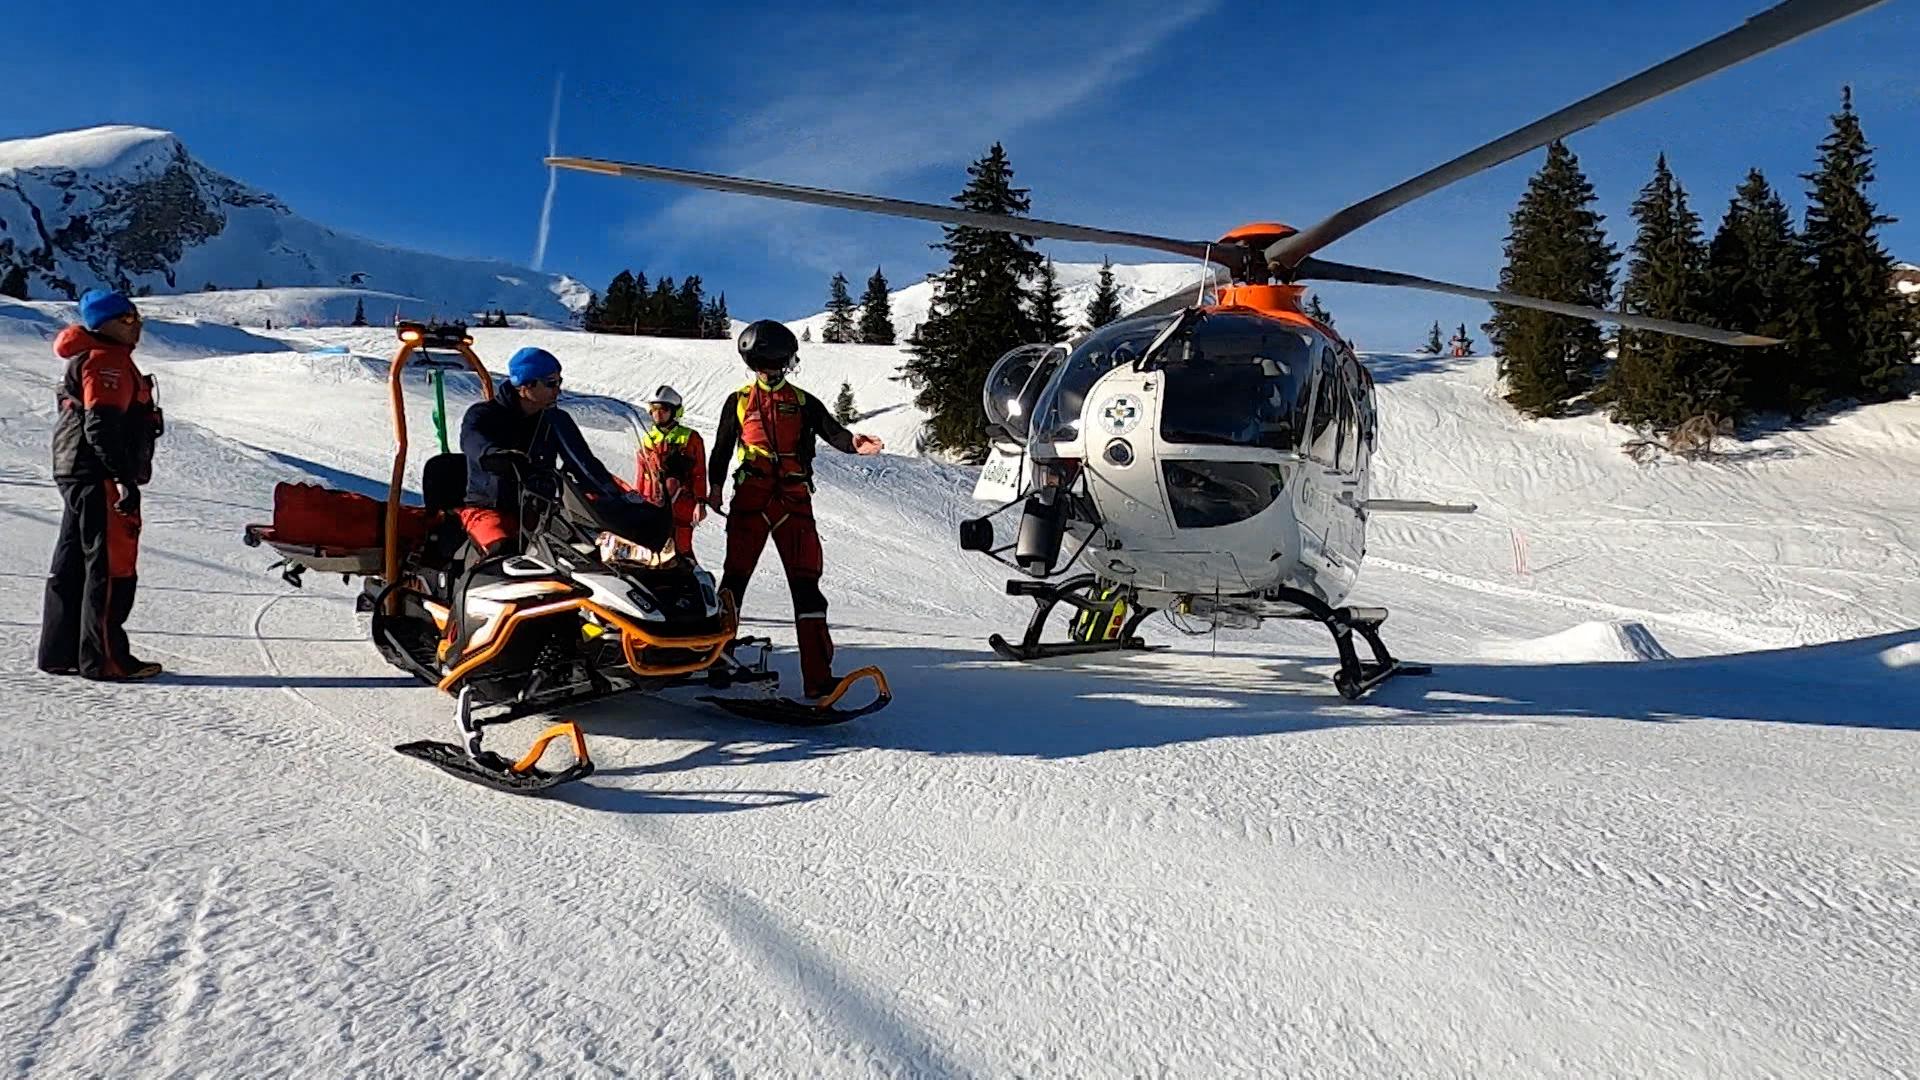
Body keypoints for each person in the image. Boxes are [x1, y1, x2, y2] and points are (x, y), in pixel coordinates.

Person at [707, 320, 883, 700]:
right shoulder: (737, 402)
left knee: (806, 590)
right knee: (734, 583)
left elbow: (833, 432)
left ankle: (818, 680)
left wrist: (854, 442)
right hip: (756, 502)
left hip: (791, 504)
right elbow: (721, 449)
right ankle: (717, 661)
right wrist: (715, 488)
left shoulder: (804, 402)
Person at [39, 289, 164, 681]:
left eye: (137, 316)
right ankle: (107, 660)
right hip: (97, 474)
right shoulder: (105, 360)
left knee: (73, 561)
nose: (136, 325)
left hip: (77, 470)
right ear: (104, 324)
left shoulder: (96, 356)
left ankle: (61, 653)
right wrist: (123, 478)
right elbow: (101, 425)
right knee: (110, 566)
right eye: (127, 319)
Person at [457, 346, 658, 557]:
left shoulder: (555, 420)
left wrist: (619, 498)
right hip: (490, 510)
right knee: (502, 554)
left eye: (559, 382)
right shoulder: (484, 415)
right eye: (551, 383)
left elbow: (584, 463)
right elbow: (472, 441)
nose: (558, 390)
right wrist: (492, 454)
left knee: (587, 555)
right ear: (526, 385)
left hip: (541, 513)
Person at [633, 385, 708, 560]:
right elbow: (642, 475)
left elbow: (699, 473)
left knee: (681, 549)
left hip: (682, 504)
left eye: (664, 409)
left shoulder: (690, 438)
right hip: (653, 504)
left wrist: (700, 502)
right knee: (650, 550)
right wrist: (638, 502)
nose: (658, 414)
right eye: (654, 409)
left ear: (675, 412)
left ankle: (692, 581)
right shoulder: (646, 439)